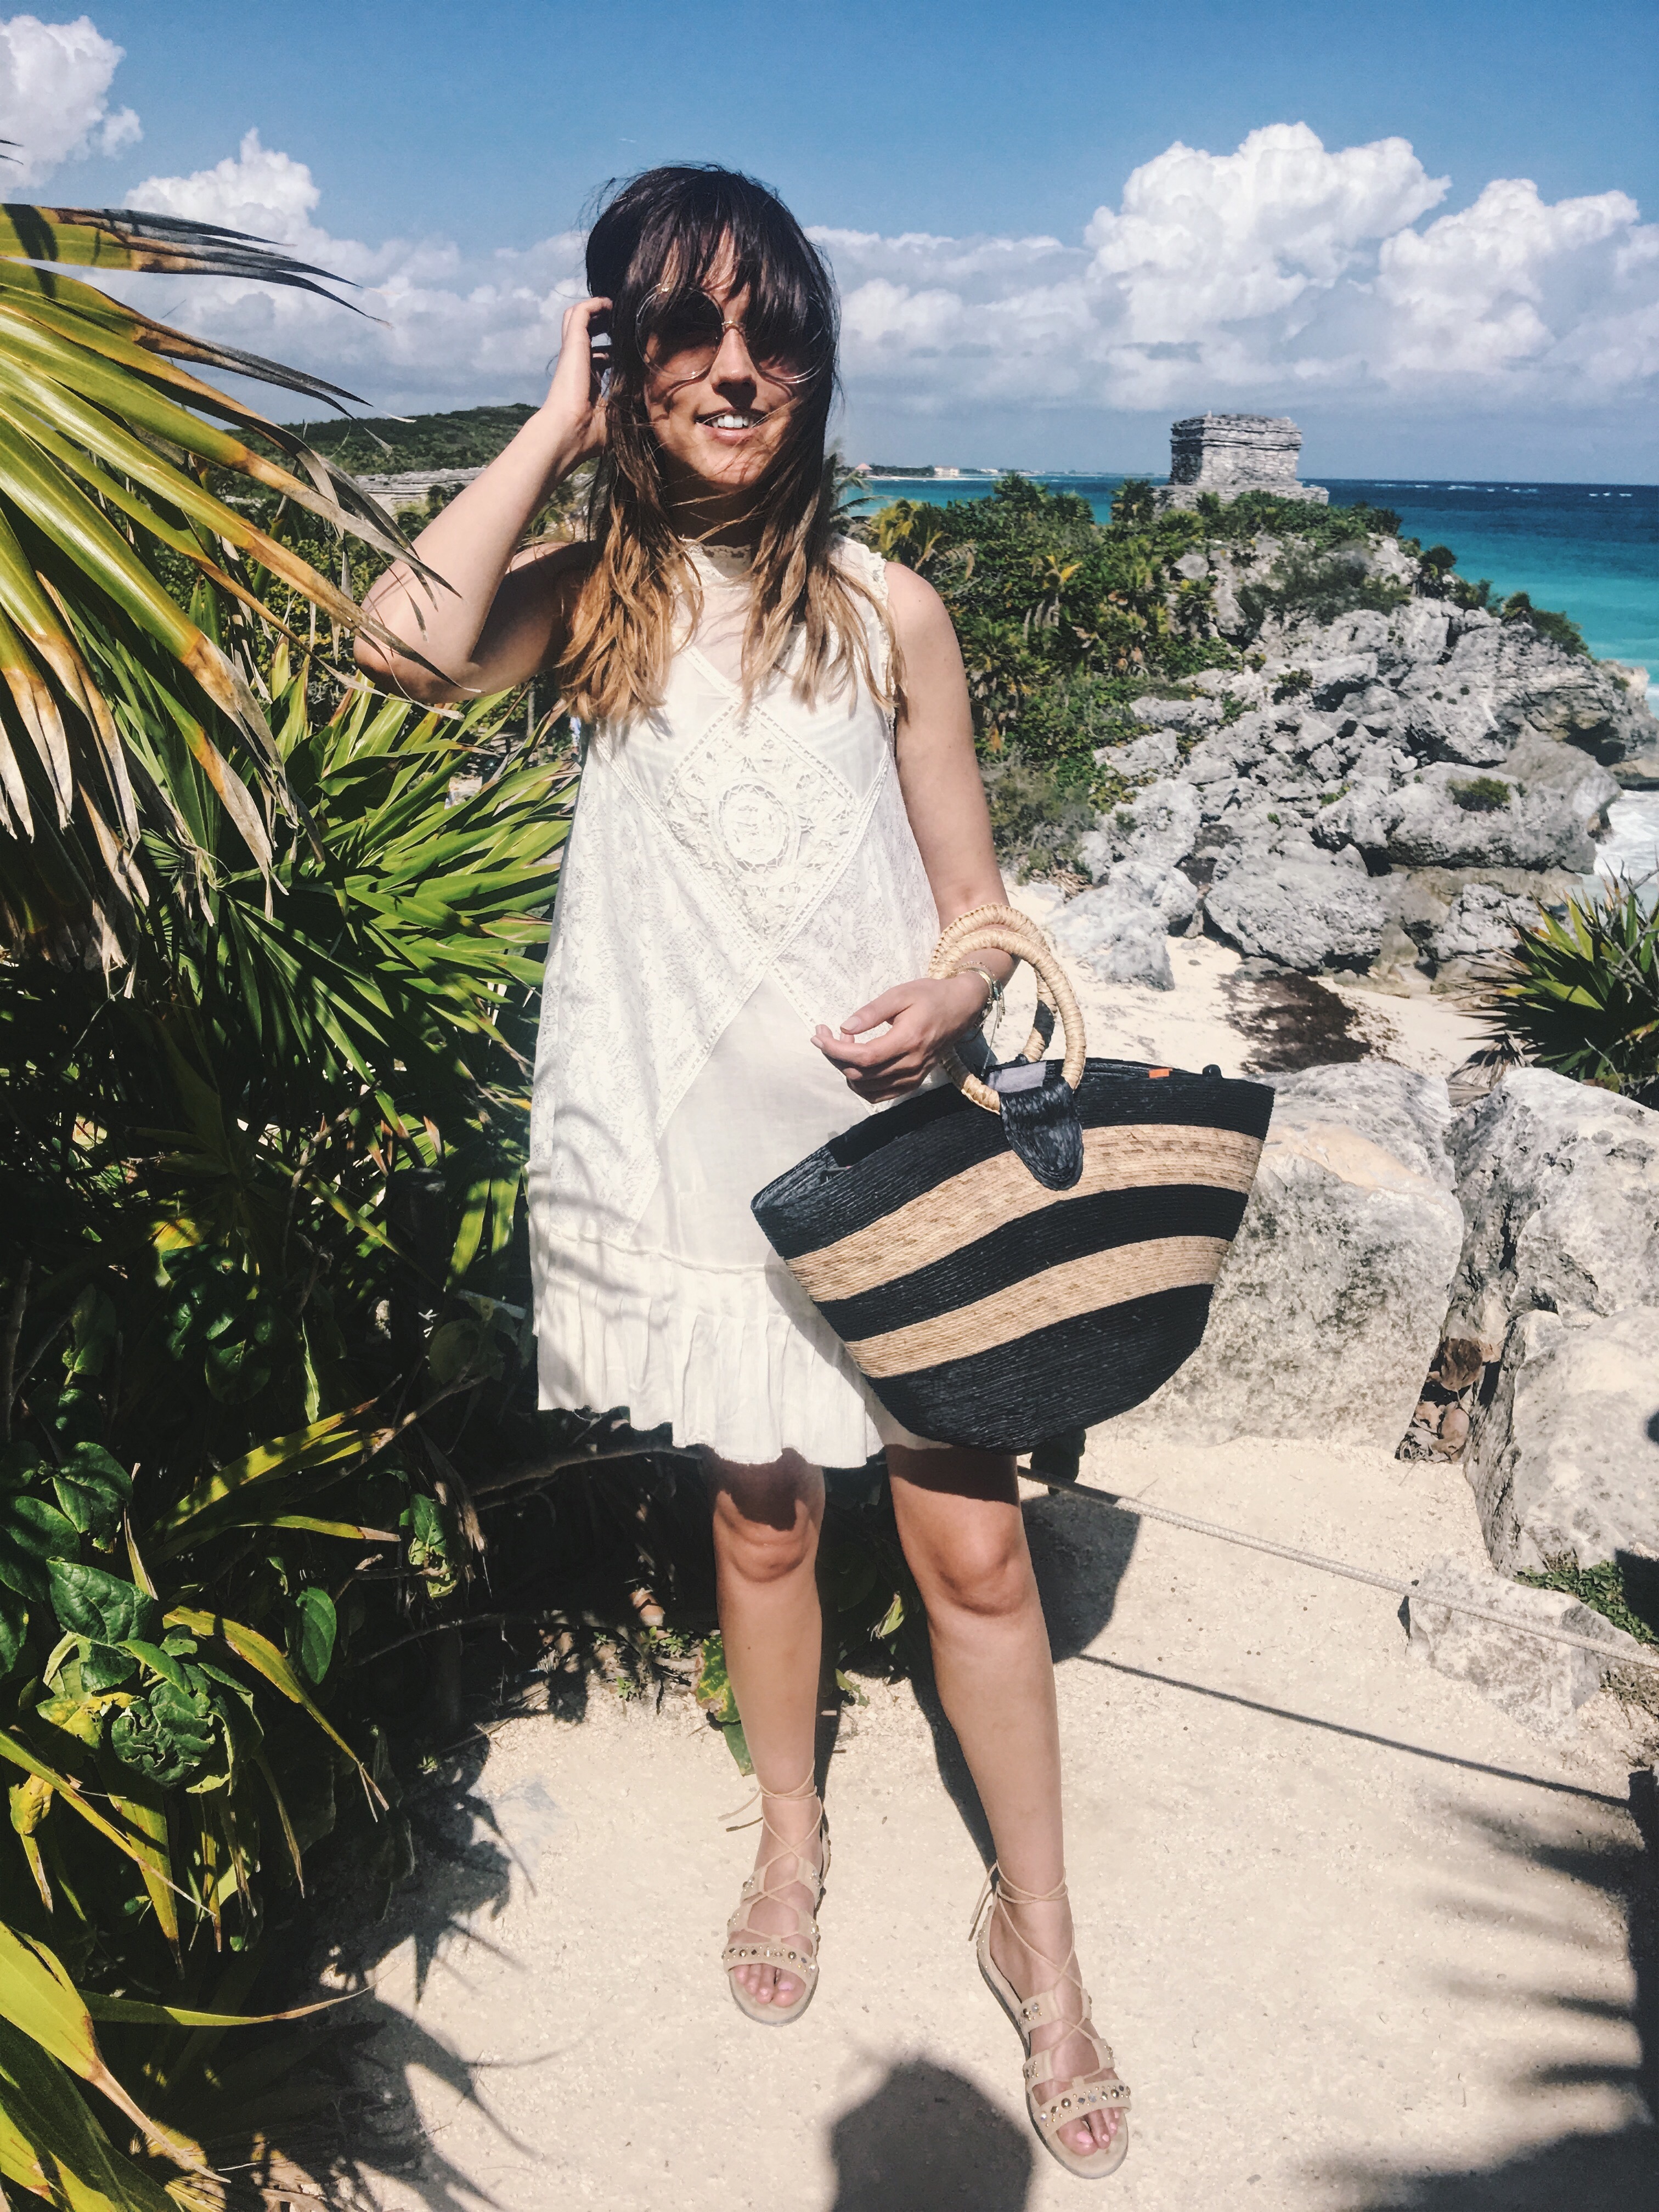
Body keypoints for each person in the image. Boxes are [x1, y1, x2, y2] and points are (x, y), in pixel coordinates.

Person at [359, 163, 1128, 2179]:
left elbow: (979, 908)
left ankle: (1041, 1934)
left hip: (889, 1158)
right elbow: (402, 645)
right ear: (626, 359)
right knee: (765, 1522)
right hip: (696, 1160)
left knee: (974, 1548)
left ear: (818, 363)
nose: (732, 370)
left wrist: (951, 999)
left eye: (770, 333)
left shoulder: (892, 610)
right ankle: (789, 1836)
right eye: (681, 334)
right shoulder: (594, 602)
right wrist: (551, 421)